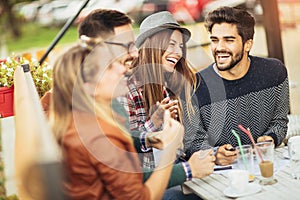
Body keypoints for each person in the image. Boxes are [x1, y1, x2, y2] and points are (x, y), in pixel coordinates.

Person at [49, 38, 185, 199]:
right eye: (109, 67)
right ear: (89, 87)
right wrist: (171, 149)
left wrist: (151, 138)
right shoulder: (98, 136)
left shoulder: (82, 122)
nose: (123, 69)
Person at [119, 11, 210, 199]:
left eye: (180, 46)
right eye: (171, 44)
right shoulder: (128, 89)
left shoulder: (169, 88)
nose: (178, 52)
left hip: (174, 176)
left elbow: (178, 148)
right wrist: (153, 123)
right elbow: (124, 148)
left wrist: (213, 155)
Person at [184, 6, 290, 166]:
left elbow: (279, 121)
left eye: (229, 40)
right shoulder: (194, 86)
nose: (219, 48)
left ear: (248, 44)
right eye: (215, 40)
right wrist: (214, 154)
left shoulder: (274, 72)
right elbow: (192, 141)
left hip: (268, 165)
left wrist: (270, 138)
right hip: (222, 178)